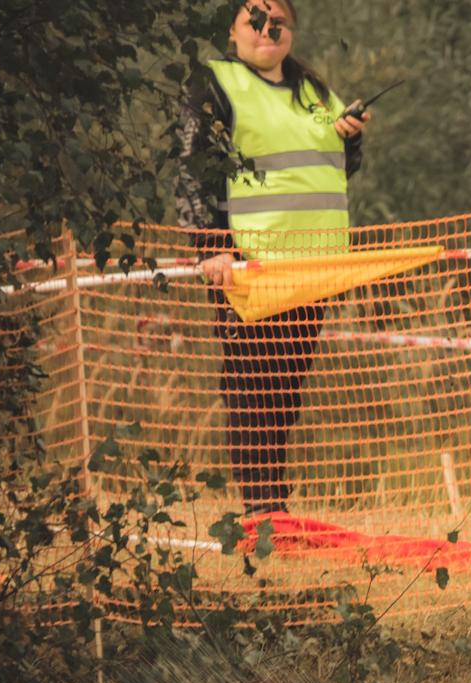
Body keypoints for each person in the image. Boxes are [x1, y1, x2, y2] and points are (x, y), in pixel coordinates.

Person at [176, 1, 370, 517]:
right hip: (248, 263)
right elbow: (194, 170)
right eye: (255, 22)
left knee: (285, 388)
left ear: (292, 29)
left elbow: (332, 169)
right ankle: (261, 510)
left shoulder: (316, 91)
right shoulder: (217, 85)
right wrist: (211, 246)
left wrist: (350, 138)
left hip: (311, 267)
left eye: (277, 22)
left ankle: (273, 506)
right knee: (250, 387)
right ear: (233, 32)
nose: (268, 30)